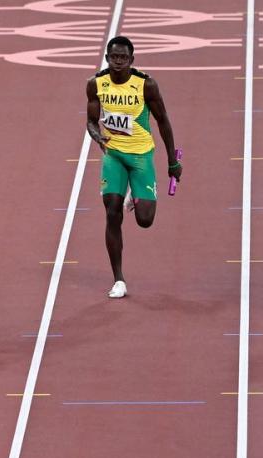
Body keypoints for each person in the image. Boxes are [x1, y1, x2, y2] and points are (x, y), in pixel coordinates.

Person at [85, 36, 180, 299]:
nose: (117, 62)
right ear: (107, 58)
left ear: (131, 60)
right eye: (113, 57)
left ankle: (134, 195)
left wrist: (173, 162)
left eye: (123, 58)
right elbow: (91, 121)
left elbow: (163, 122)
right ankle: (119, 279)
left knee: (145, 221)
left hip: (140, 156)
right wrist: (97, 135)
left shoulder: (145, 85)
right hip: (114, 155)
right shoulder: (96, 84)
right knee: (112, 213)